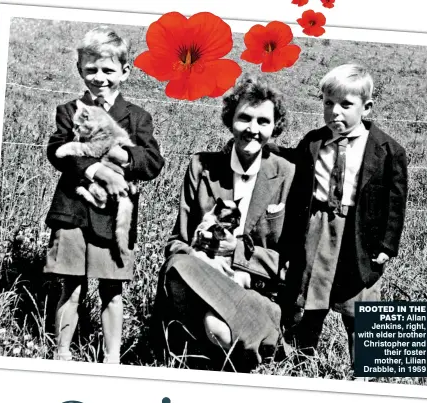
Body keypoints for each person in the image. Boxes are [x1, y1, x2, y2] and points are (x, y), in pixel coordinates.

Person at [153, 75, 295, 371]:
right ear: (230, 119)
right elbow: (176, 242)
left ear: (274, 127)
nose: (252, 130)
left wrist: (237, 255)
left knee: (216, 327)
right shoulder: (202, 167)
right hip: (202, 276)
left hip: (255, 290)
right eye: (244, 118)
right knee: (177, 266)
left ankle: (240, 355)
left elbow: (293, 262)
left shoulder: (287, 174)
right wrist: (200, 256)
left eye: (263, 122)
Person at [44, 26, 164, 364]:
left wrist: (126, 155)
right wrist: (94, 168)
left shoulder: (138, 117)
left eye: (108, 69)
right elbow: (58, 150)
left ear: (124, 72)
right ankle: (62, 353)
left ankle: (112, 359)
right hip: (73, 212)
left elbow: (153, 161)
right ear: (80, 69)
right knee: (71, 287)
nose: (99, 77)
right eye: (91, 69)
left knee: (112, 290)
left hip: (114, 219)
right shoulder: (69, 110)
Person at [280, 64, 408, 372]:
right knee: (311, 295)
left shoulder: (388, 150)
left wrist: (386, 245)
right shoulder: (313, 142)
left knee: (360, 303)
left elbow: (395, 203)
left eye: (345, 105)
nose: (334, 112)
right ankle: (301, 360)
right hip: (318, 226)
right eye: (328, 103)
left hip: (360, 232)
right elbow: (296, 185)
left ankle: (365, 369)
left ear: (367, 107)